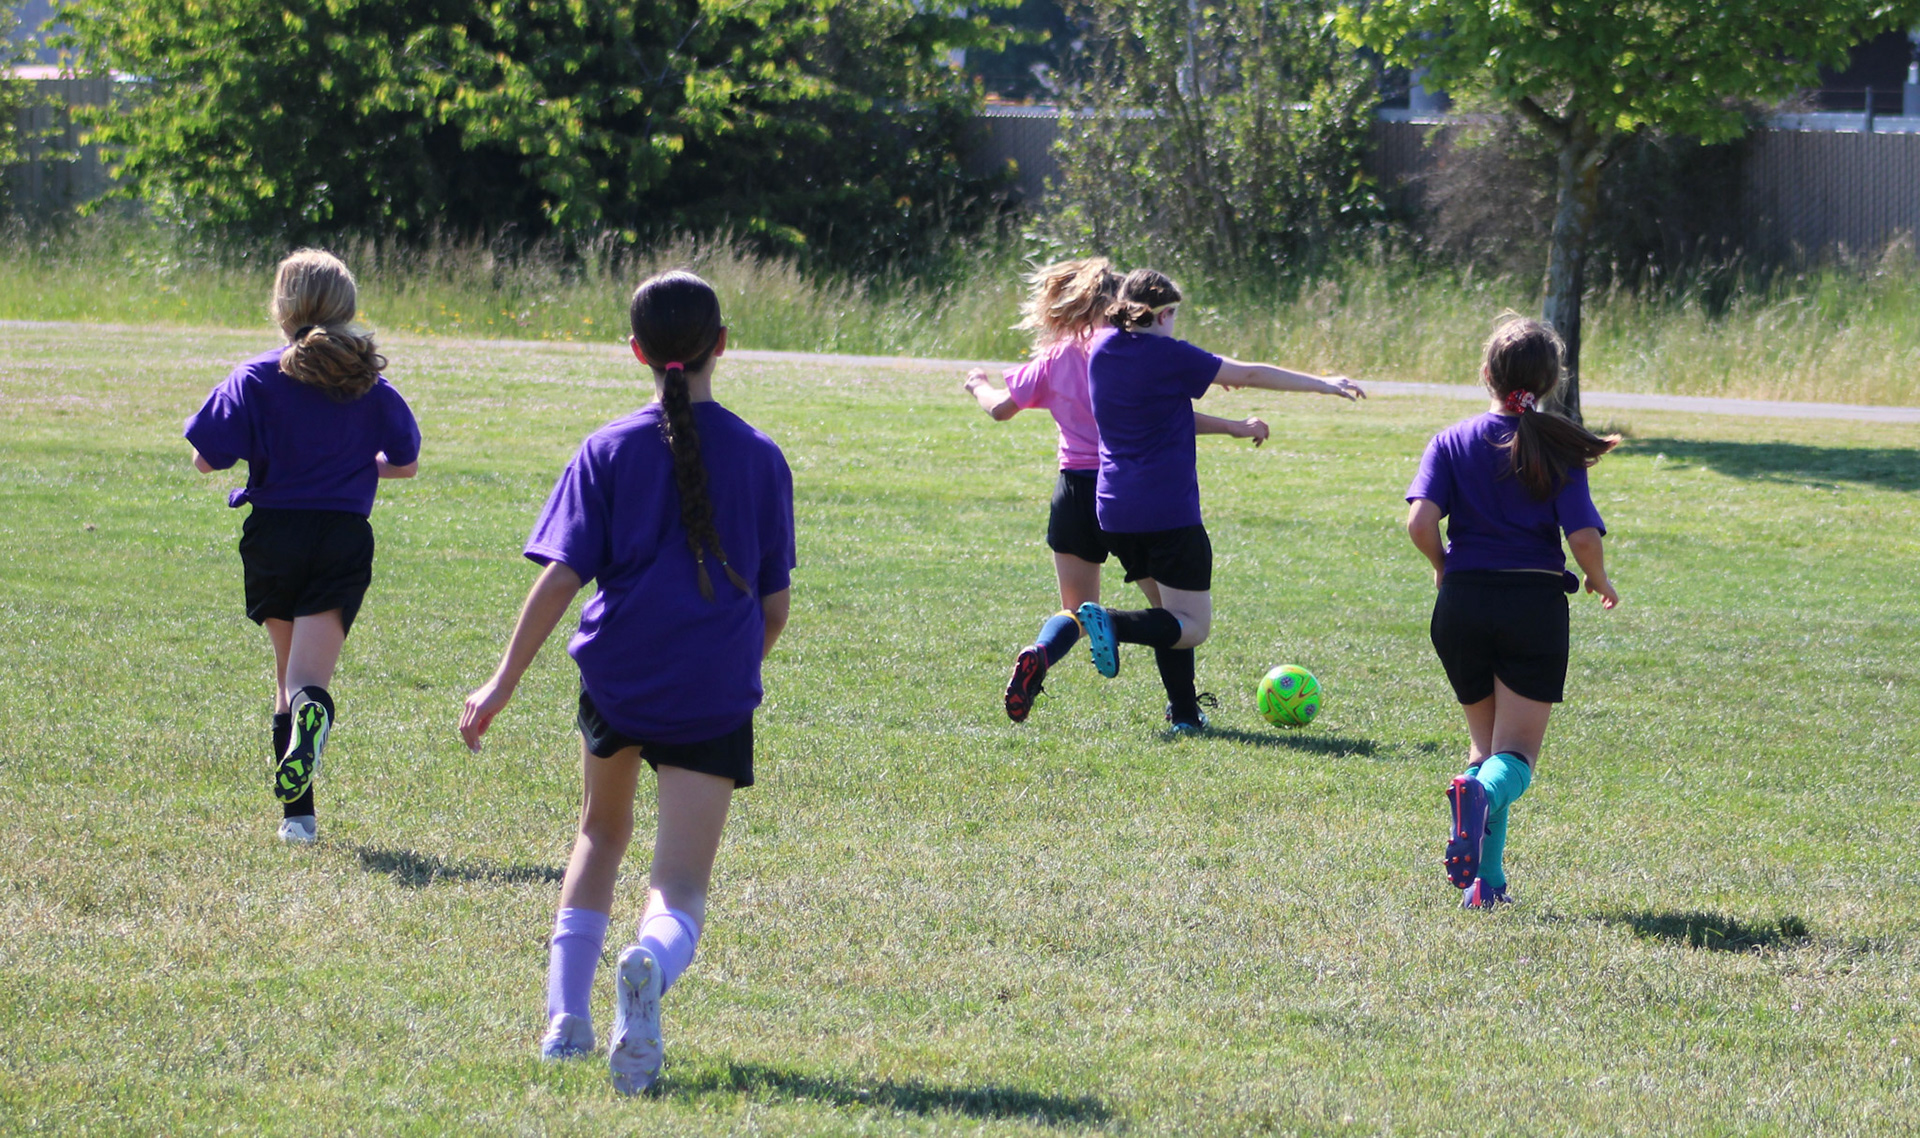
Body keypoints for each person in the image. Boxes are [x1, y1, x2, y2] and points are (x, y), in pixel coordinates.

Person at [459, 270, 795, 1095]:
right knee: (678, 886)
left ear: (637, 351)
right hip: (711, 693)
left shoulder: (607, 449)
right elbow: (775, 608)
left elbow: (559, 579)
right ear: (722, 345)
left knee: (599, 836)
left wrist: (501, 683)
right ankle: (647, 963)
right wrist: (731, 668)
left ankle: (564, 1022)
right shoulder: (760, 458)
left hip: (617, 680)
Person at [183, 248, 421, 845]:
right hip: (341, 536)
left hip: (275, 536)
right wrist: (353, 467)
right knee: (307, 680)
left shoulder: (255, 376)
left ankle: (298, 820)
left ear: (281, 306)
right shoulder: (369, 382)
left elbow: (206, 458)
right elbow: (405, 462)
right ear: (346, 307)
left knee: (286, 677)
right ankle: (306, 755)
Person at [971, 259, 1270, 723]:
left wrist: (978, 386)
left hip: (1073, 491)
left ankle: (1041, 653)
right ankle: (1184, 713)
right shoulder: (1126, 350)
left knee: (1076, 611)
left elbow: (1000, 409)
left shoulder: (1057, 357)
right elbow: (1168, 416)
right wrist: (1231, 425)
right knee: (1170, 612)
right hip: (1123, 490)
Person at [1068, 269, 1363, 731]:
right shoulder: (1170, 355)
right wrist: (1322, 383)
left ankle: (1185, 715)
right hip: (1167, 512)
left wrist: (1229, 426)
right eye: (1174, 315)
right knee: (1192, 627)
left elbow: (1166, 413)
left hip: (1115, 510)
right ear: (1163, 314)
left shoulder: (1102, 349)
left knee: (1168, 618)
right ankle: (1112, 623)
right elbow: (1248, 373)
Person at [1404, 316, 1619, 909]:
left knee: (1486, 753)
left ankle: (1487, 885)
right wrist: (1599, 579)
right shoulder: (1557, 446)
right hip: (1531, 605)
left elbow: (1420, 522)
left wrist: (1443, 567)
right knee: (1515, 759)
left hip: (1462, 605)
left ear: (1486, 374)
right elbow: (1582, 537)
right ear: (1551, 382)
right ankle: (1478, 803)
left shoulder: (1451, 440)